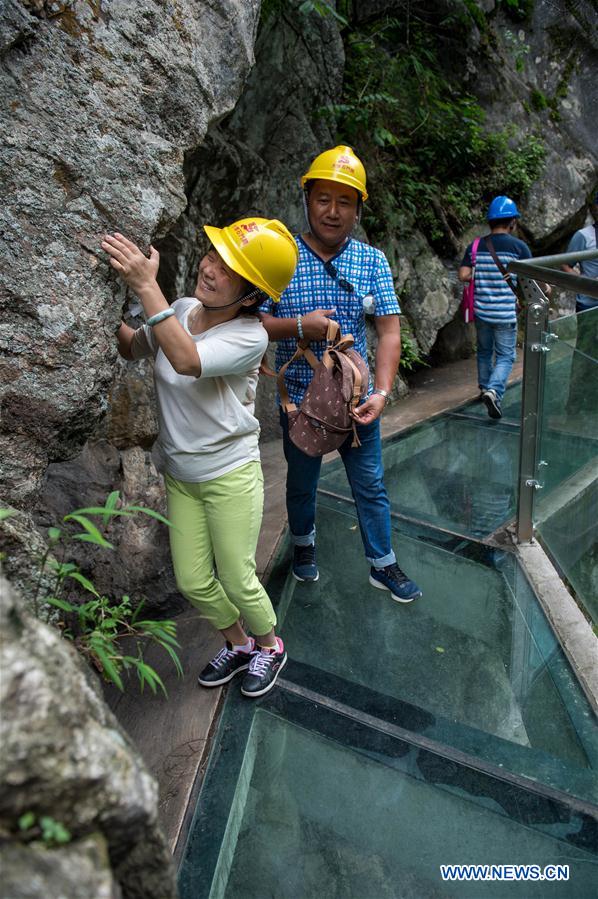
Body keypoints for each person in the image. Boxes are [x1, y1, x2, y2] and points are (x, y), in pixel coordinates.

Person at [102, 218, 298, 698]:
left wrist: (147, 286)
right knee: (193, 581)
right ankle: (238, 644)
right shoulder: (183, 309)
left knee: (235, 575)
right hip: (182, 474)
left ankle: (270, 646)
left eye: (229, 268)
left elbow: (187, 360)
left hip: (230, 475)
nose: (210, 268)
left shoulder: (250, 337)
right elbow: (135, 346)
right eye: (213, 255)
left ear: (251, 297)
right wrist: (96, 308)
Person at [259, 145, 422, 602]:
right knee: (301, 482)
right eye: (323, 199)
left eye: (344, 201)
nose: (332, 211)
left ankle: (382, 564)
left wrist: (384, 392)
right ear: (307, 199)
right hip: (300, 402)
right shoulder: (281, 254)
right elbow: (254, 326)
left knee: (370, 484)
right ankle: (304, 546)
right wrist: (298, 326)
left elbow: (390, 332)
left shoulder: (372, 261)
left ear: (358, 209)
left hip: (356, 400)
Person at [458, 196, 532, 420]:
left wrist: (480, 273)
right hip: (504, 314)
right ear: (512, 222)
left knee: (484, 351)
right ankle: (494, 390)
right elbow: (533, 279)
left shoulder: (477, 245)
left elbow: (463, 274)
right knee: (506, 357)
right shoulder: (519, 247)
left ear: (490, 222)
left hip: (482, 312)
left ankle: (484, 389)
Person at [561, 192, 598, 415]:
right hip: (588, 304)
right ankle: (575, 404)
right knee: (584, 351)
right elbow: (565, 264)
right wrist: (584, 281)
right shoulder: (583, 236)